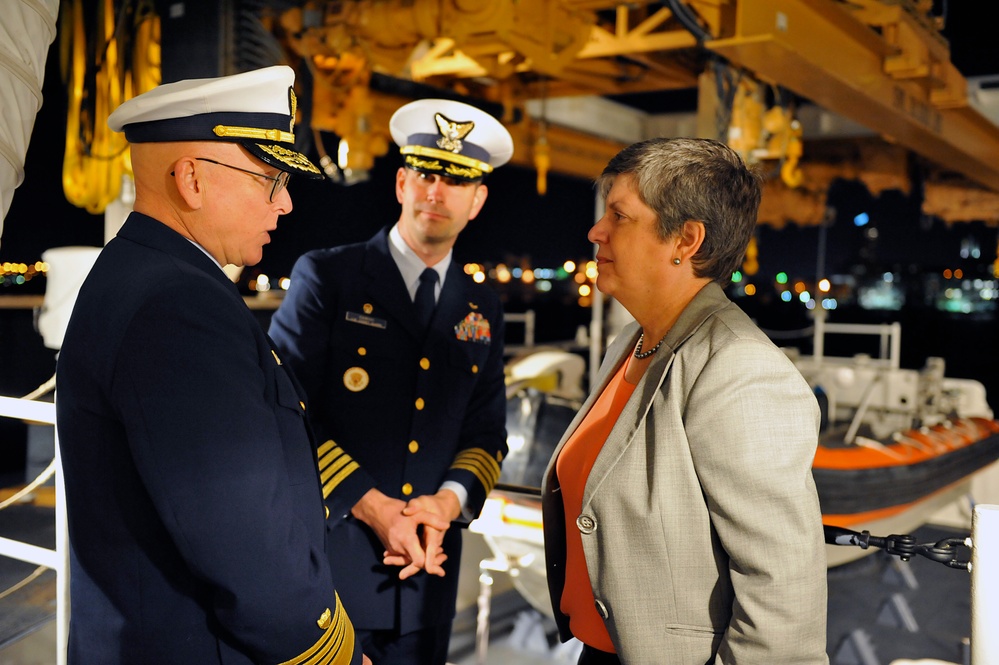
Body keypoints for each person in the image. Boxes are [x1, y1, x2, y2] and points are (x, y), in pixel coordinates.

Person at [56, 65, 368, 665]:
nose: (286, 202)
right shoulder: (178, 305)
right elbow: (242, 542)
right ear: (193, 180)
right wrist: (333, 655)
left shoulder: (144, 277)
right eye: (270, 179)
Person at [541, 137, 829, 664]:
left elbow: (783, 594)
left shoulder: (738, 368)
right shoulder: (628, 346)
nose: (595, 232)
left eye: (619, 216)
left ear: (686, 240)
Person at [268, 98, 512, 664]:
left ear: (477, 201)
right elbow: (285, 409)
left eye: (457, 182)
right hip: (329, 561)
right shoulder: (328, 276)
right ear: (401, 183)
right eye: (426, 174)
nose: (436, 192)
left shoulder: (481, 307)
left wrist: (446, 506)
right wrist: (373, 505)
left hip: (427, 576)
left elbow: (486, 431)